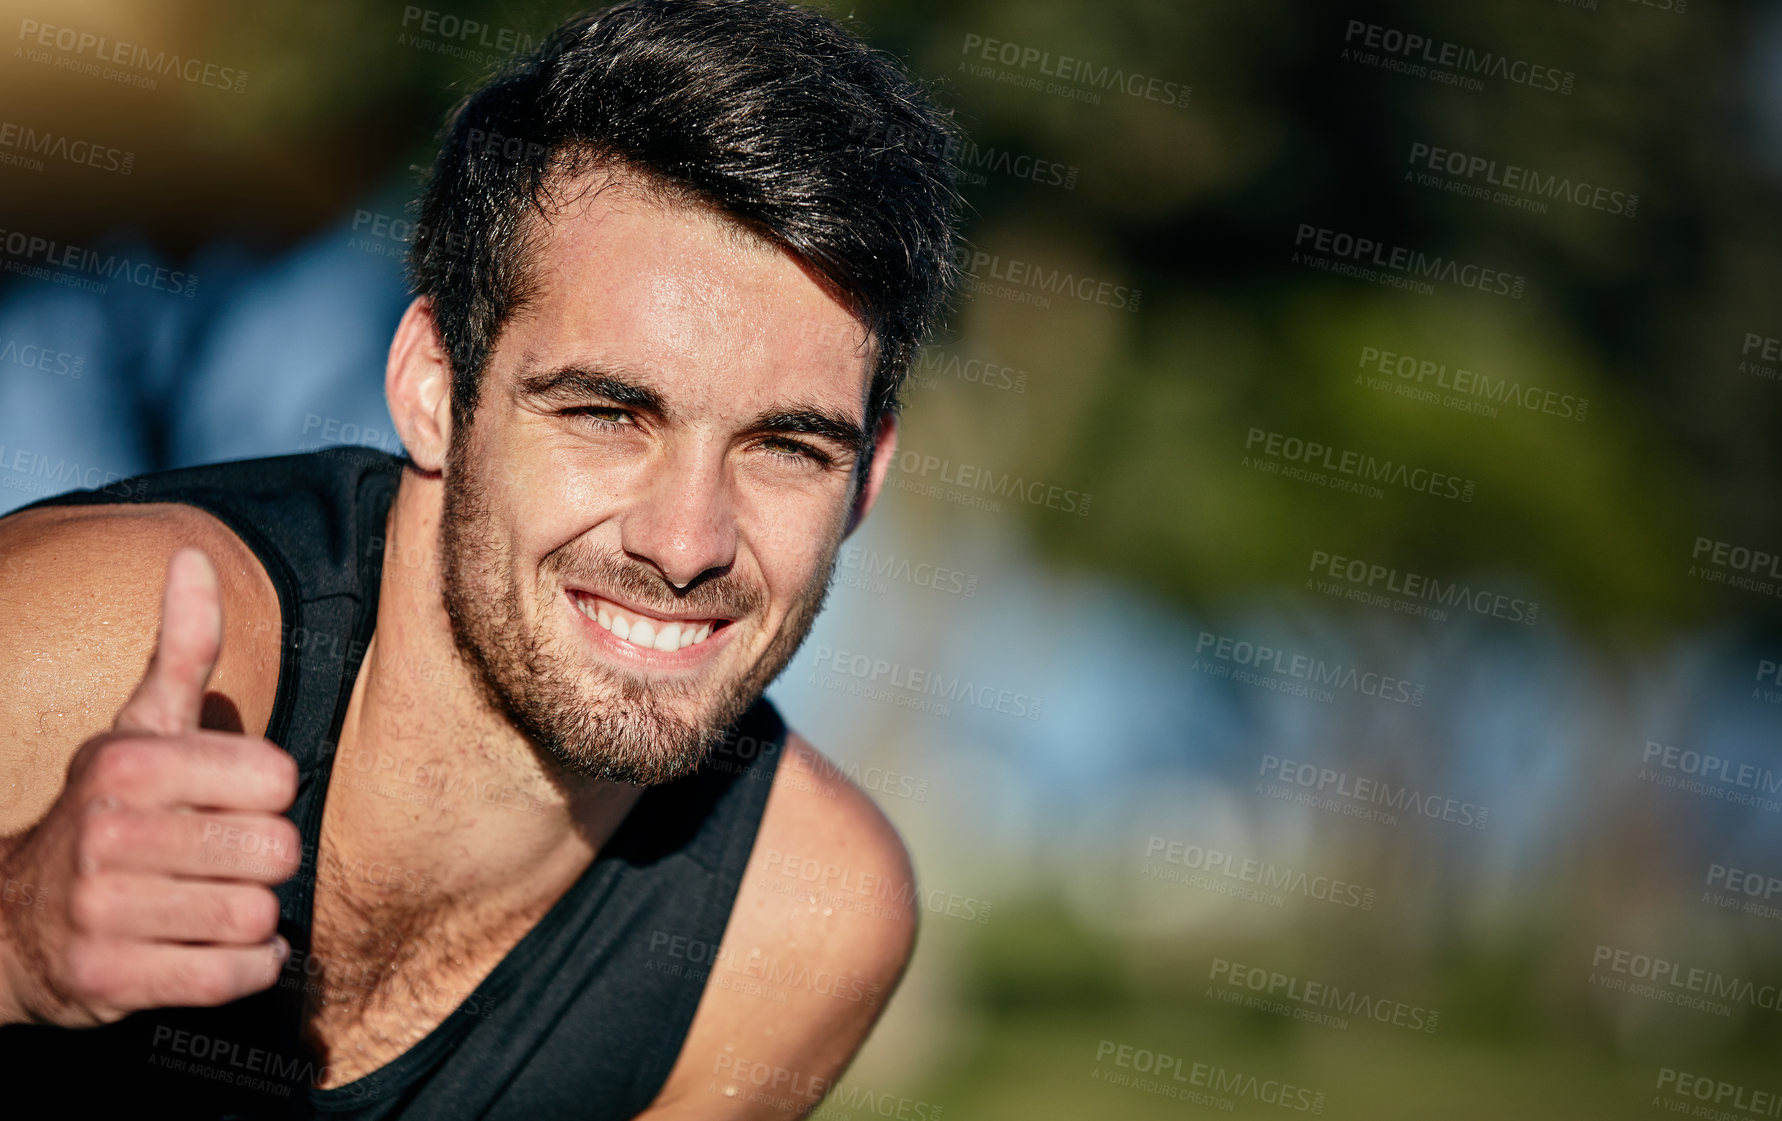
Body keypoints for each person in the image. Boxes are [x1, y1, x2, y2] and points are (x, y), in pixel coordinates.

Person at [0, 0, 960, 1115]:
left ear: (866, 482)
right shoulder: (79, 646)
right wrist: (19, 934)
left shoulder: (800, 918)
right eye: (607, 413)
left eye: (786, 447)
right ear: (432, 391)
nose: (688, 543)